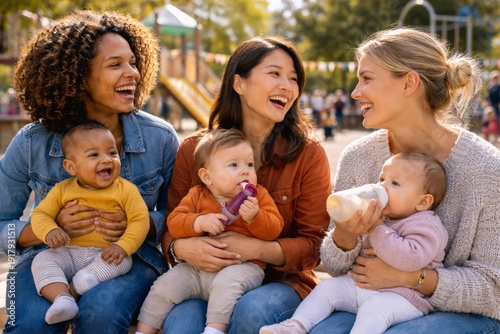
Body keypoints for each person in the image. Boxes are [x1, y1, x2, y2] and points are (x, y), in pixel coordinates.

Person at [0, 10, 179, 333]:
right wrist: (44, 228)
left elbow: (178, 216)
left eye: (133, 62)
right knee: (30, 324)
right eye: (116, 65)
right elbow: (2, 225)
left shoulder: (160, 138)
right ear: (78, 77)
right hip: (48, 257)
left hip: (127, 258)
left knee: (101, 313)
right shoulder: (31, 143)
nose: (133, 74)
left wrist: (138, 225)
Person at [312, 27, 500, 333]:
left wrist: (413, 279)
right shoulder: (359, 157)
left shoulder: (486, 169)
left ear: (409, 83)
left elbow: (493, 288)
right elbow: (335, 267)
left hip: (466, 314)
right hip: (373, 299)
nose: (355, 93)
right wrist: (344, 238)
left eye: (367, 79)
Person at [160, 36, 332, 333]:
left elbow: (314, 246)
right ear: (239, 84)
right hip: (202, 276)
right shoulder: (194, 149)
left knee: (251, 311)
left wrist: (255, 248)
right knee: (180, 324)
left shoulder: (308, 154)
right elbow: (169, 227)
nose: (288, 87)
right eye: (275, 73)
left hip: (281, 282)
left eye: (293, 79)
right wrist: (181, 248)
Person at [260, 152, 448, 334]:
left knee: (374, 310)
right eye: (382, 179)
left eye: (395, 183)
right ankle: (296, 326)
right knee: (327, 288)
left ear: (423, 202)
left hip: (403, 298)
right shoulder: (379, 216)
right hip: (361, 286)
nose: (382, 187)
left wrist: (376, 228)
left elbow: (410, 259)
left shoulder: (427, 225)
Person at [136, 128, 284, 334]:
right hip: (195, 269)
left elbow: (274, 229)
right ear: (206, 176)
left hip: (241, 267)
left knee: (226, 285)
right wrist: (198, 222)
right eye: (234, 165)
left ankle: (214, 330)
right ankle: (143, 330)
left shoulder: (257, 198)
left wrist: (255, 217)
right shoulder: (197, 195)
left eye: (250, 164)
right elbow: (174, 222)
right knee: (164, 286)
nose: (245, 171)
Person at [31, 121, 150, 325]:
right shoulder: (63, 190)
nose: (106, 160)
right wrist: (50, 230)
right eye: (94, 155)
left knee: (123, 261)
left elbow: (140, 221)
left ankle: (76, 288)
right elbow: (40, 214)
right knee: (42, 260)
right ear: (71, 166)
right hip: (68, 252)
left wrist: (123, 246)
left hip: (105, 254)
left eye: (112, 153)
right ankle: (62, 299)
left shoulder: (126, 190)